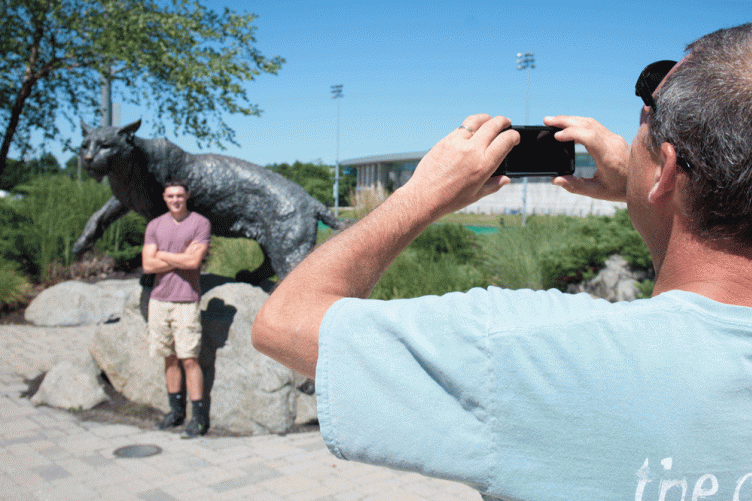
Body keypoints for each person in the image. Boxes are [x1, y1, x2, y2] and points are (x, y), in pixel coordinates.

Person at [251, 23, 752, 500]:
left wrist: (421, 196)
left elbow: (283, 322)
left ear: (665, 170)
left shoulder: (523, 349)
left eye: (643, 126)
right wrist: (648, 192)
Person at [142, 180, 211, 439]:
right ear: (164, 197)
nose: (175, 200)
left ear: (187, 196)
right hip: (159, 301)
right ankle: (176, 412)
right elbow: (148, 265)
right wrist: (179, 257)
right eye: (171, 196)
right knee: (168, 357)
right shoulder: (155, 225)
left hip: (186, 301)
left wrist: (163, 254)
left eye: (180, 196)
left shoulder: (199, 223)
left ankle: (199, 418)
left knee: (189, 359)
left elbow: (194, 261)